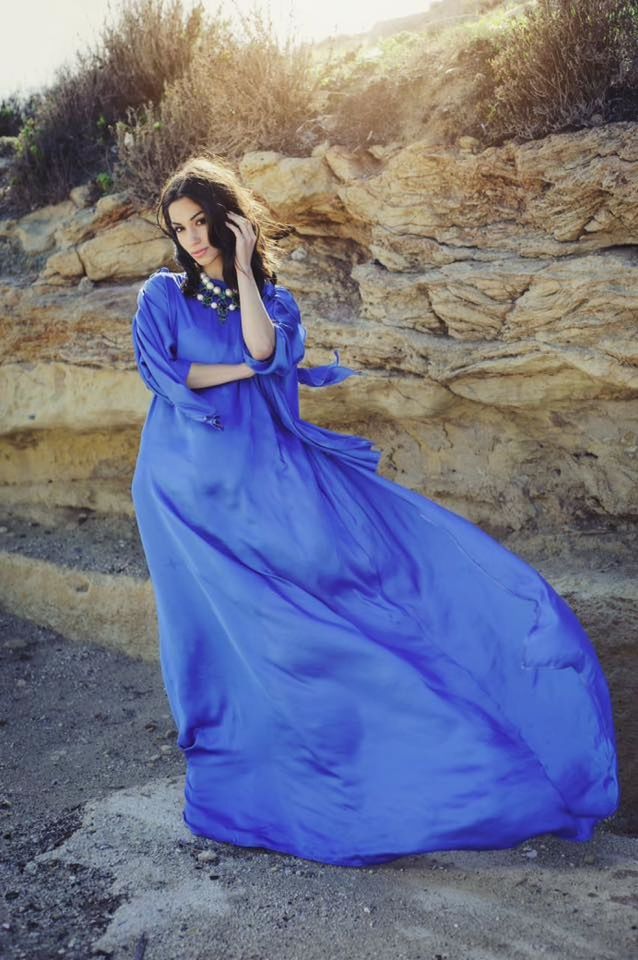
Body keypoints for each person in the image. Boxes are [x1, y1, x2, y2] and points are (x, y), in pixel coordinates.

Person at [130, 154, 619, 868]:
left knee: (305, 622)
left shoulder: (272, 300)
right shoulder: (160, 296)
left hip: (261, 482)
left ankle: (376, 767)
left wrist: (240, 268)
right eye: (180, 229)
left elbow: (267, 344)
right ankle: (249, 762)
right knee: (209, 636)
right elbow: (173, 374)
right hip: (179, 492)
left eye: (202, 223)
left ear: (227, 220)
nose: (191, 239)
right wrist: (251, 370)